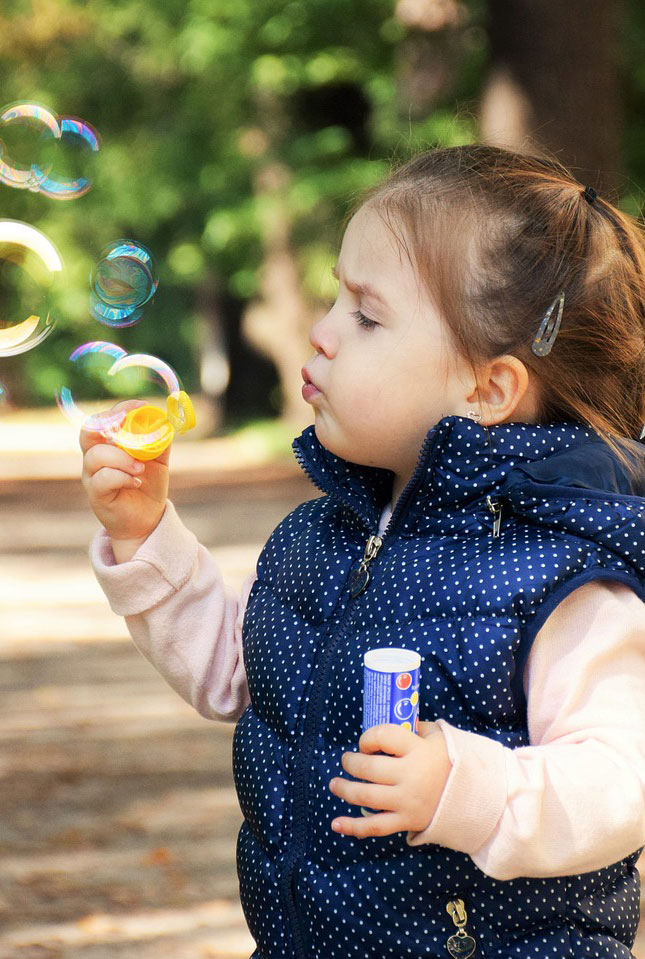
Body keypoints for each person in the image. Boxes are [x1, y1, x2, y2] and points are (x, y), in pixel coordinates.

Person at [81, 145, 645, 959]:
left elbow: (621, 779)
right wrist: (144, 535)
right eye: (334, 299)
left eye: (365, 315)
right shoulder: (323, 535)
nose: (319, 332)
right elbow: (237, 672)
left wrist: (467, 785)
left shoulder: (561, 574)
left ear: (486, 389)